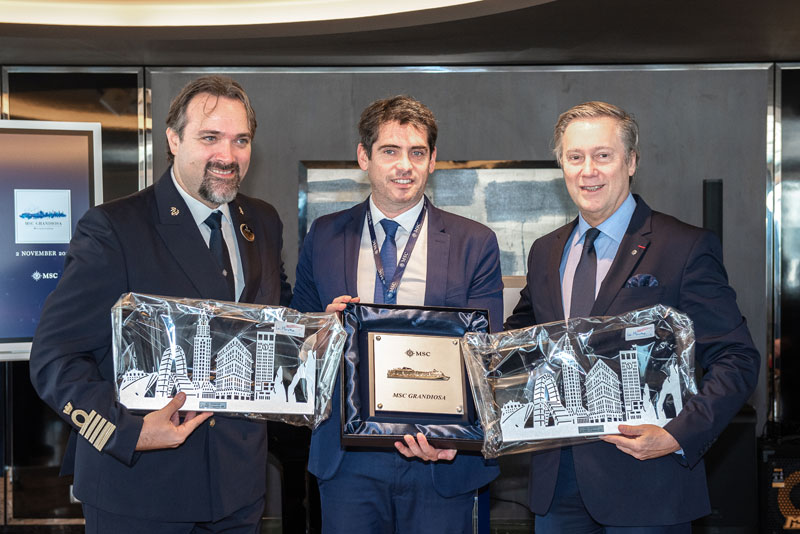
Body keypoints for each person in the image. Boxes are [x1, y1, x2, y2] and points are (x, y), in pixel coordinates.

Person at [29, 75, 292, 533]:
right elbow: (54, 358)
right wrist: (127, 432)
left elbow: (271, 317)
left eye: (241, 140)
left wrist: (318, 328)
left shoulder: (263, 222)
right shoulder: (115, 228)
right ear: (173, 139)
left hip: (239, 489)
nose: (227, 156)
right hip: (141, 487)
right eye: (209, 138)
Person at [505, 101, 760, 532]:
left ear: (631, 162)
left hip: (648, 483)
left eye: (603, 155)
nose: (589, 170)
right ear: (562, 165)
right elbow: (523, 338)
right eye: (575, 157)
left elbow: (737, 358)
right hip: (555, 486)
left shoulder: (683, 246)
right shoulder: (545, 251)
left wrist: (678, 435)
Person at [291, 95, 502, 533]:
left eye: (417, 153)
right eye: (390, 151)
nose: (404, 165)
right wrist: (323, 328)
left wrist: (455, 441)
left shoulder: (474, 242)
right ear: (364, 157)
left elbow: (487, 353)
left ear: (432, 160)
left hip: (439, 459)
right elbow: (297, 335)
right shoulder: (325, 236)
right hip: (348, 460)